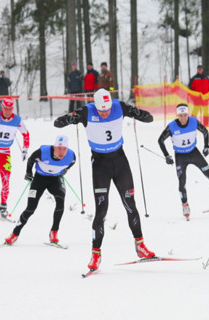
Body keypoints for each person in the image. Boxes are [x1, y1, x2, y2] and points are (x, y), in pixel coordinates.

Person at [54, 88, 155, 271]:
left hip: (120, 162)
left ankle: (140, 245)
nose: (105, 113)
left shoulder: (119, 106)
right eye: (101, 111)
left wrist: (139, 114)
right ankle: (96, 254)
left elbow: (149, 118)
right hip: (100, 165)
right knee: (101, 210)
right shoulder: (86, 111)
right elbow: (57, 123)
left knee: (130, 204)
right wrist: (70, 118)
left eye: (107, 109)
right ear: (95, 106)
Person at [157, 103, 209, 220]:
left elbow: (205, 132)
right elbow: (160, 140)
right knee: (182, 181)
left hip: (194, 153)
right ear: (177, 115)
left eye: (185, 115)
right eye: (180, 116)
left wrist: (206, 146)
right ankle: (185, 205)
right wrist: (167, 156)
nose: (183, 118)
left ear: (188, 114)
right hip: (180, 156)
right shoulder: (172, 126)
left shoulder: (193, 121)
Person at [3, 135, 76, 245]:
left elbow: (71, 164)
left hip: (55, 179)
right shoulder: (42, 152)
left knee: (60, 201)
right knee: (31, 208)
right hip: (39, 179)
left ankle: (54, 232)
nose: (61, 152)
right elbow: (30, 161)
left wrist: (64, 170)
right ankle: (14, 234)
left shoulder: (71, 156)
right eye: (59, 148)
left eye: (64, 149)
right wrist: (28, 172)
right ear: (54, 147)